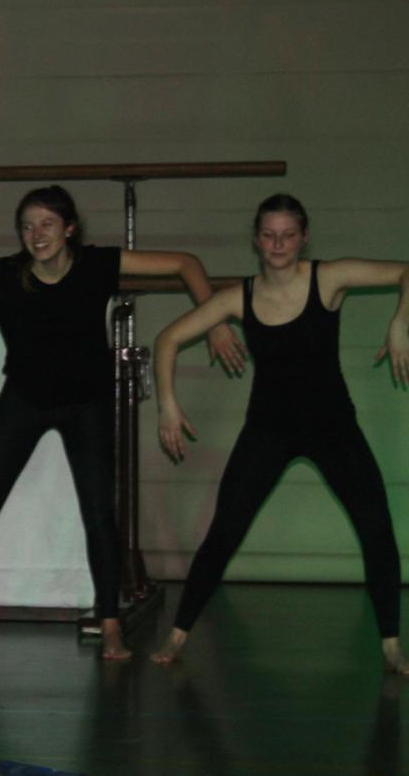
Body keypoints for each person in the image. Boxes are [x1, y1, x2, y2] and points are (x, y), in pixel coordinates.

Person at [0, 185, 243, 659]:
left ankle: (110, 626)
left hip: (87, 405)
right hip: (24, 400)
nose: (36, 234)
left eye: (46, 223)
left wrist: (216, 320)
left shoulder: (96, 265)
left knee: (99, 513)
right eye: (27, 226)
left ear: (69, 229)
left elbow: (186, 263)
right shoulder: (5, 275)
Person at [151, 193, 409, 671]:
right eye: (269, 235)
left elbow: (405, 272)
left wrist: (400, 322)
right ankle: (178, 633)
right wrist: (168, 405)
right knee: (224, 532)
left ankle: (391, 644)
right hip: (267, 430)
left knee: (376, 527)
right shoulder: (239, 298)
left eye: (288, 235)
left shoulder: (328, 279)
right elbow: (167, 339)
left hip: (333, 427)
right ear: (256, 239)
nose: (278, 244)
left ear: (304, 237)